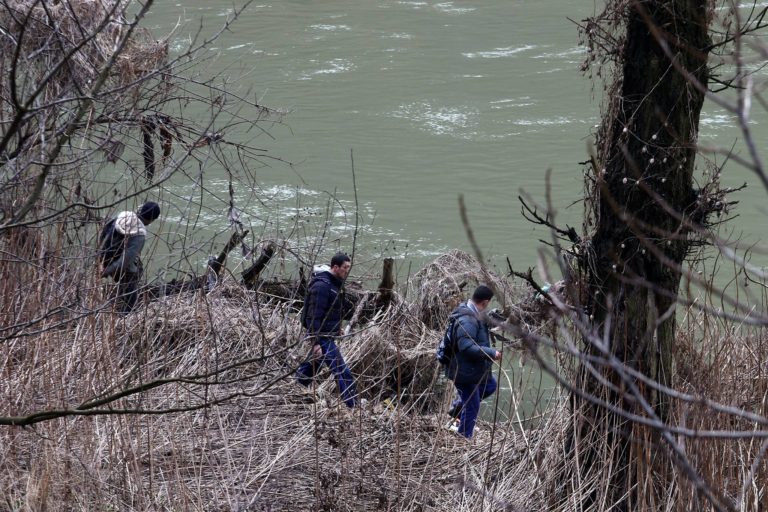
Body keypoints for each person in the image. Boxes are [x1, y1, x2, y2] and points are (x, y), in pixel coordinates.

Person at [295, 252, 358, 407]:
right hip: (321, 337)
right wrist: (316, 343)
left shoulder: (333, 284)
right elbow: (313, 317)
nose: (347, 271)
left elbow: (329, 312)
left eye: (349, 267)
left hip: (327, 335)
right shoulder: (322, 286)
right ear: (335, 267)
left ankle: (296, 387)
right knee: (342, 372)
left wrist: (336, 329)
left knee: (312, 365)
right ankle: (354, 406)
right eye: (345, 267)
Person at [444, 285, 502, 438]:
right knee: (472, 405)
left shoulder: (473, 313)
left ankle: (457, 408)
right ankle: (464, 436)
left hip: (472, 369)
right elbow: (466, 346)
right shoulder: (468, 319)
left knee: (490, 385)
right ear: (484, 302)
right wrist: (490, 352)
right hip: (463, 371)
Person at [98, 201, 160, 313]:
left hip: (103, 257)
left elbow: (104, 233)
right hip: (113, 265)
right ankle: (126, 313)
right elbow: (125, 261)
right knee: (135, 274)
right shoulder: (140, 234)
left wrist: (100, 260)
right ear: (151, 220)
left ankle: (114, 295)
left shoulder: (123, 215)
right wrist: (107, 271)